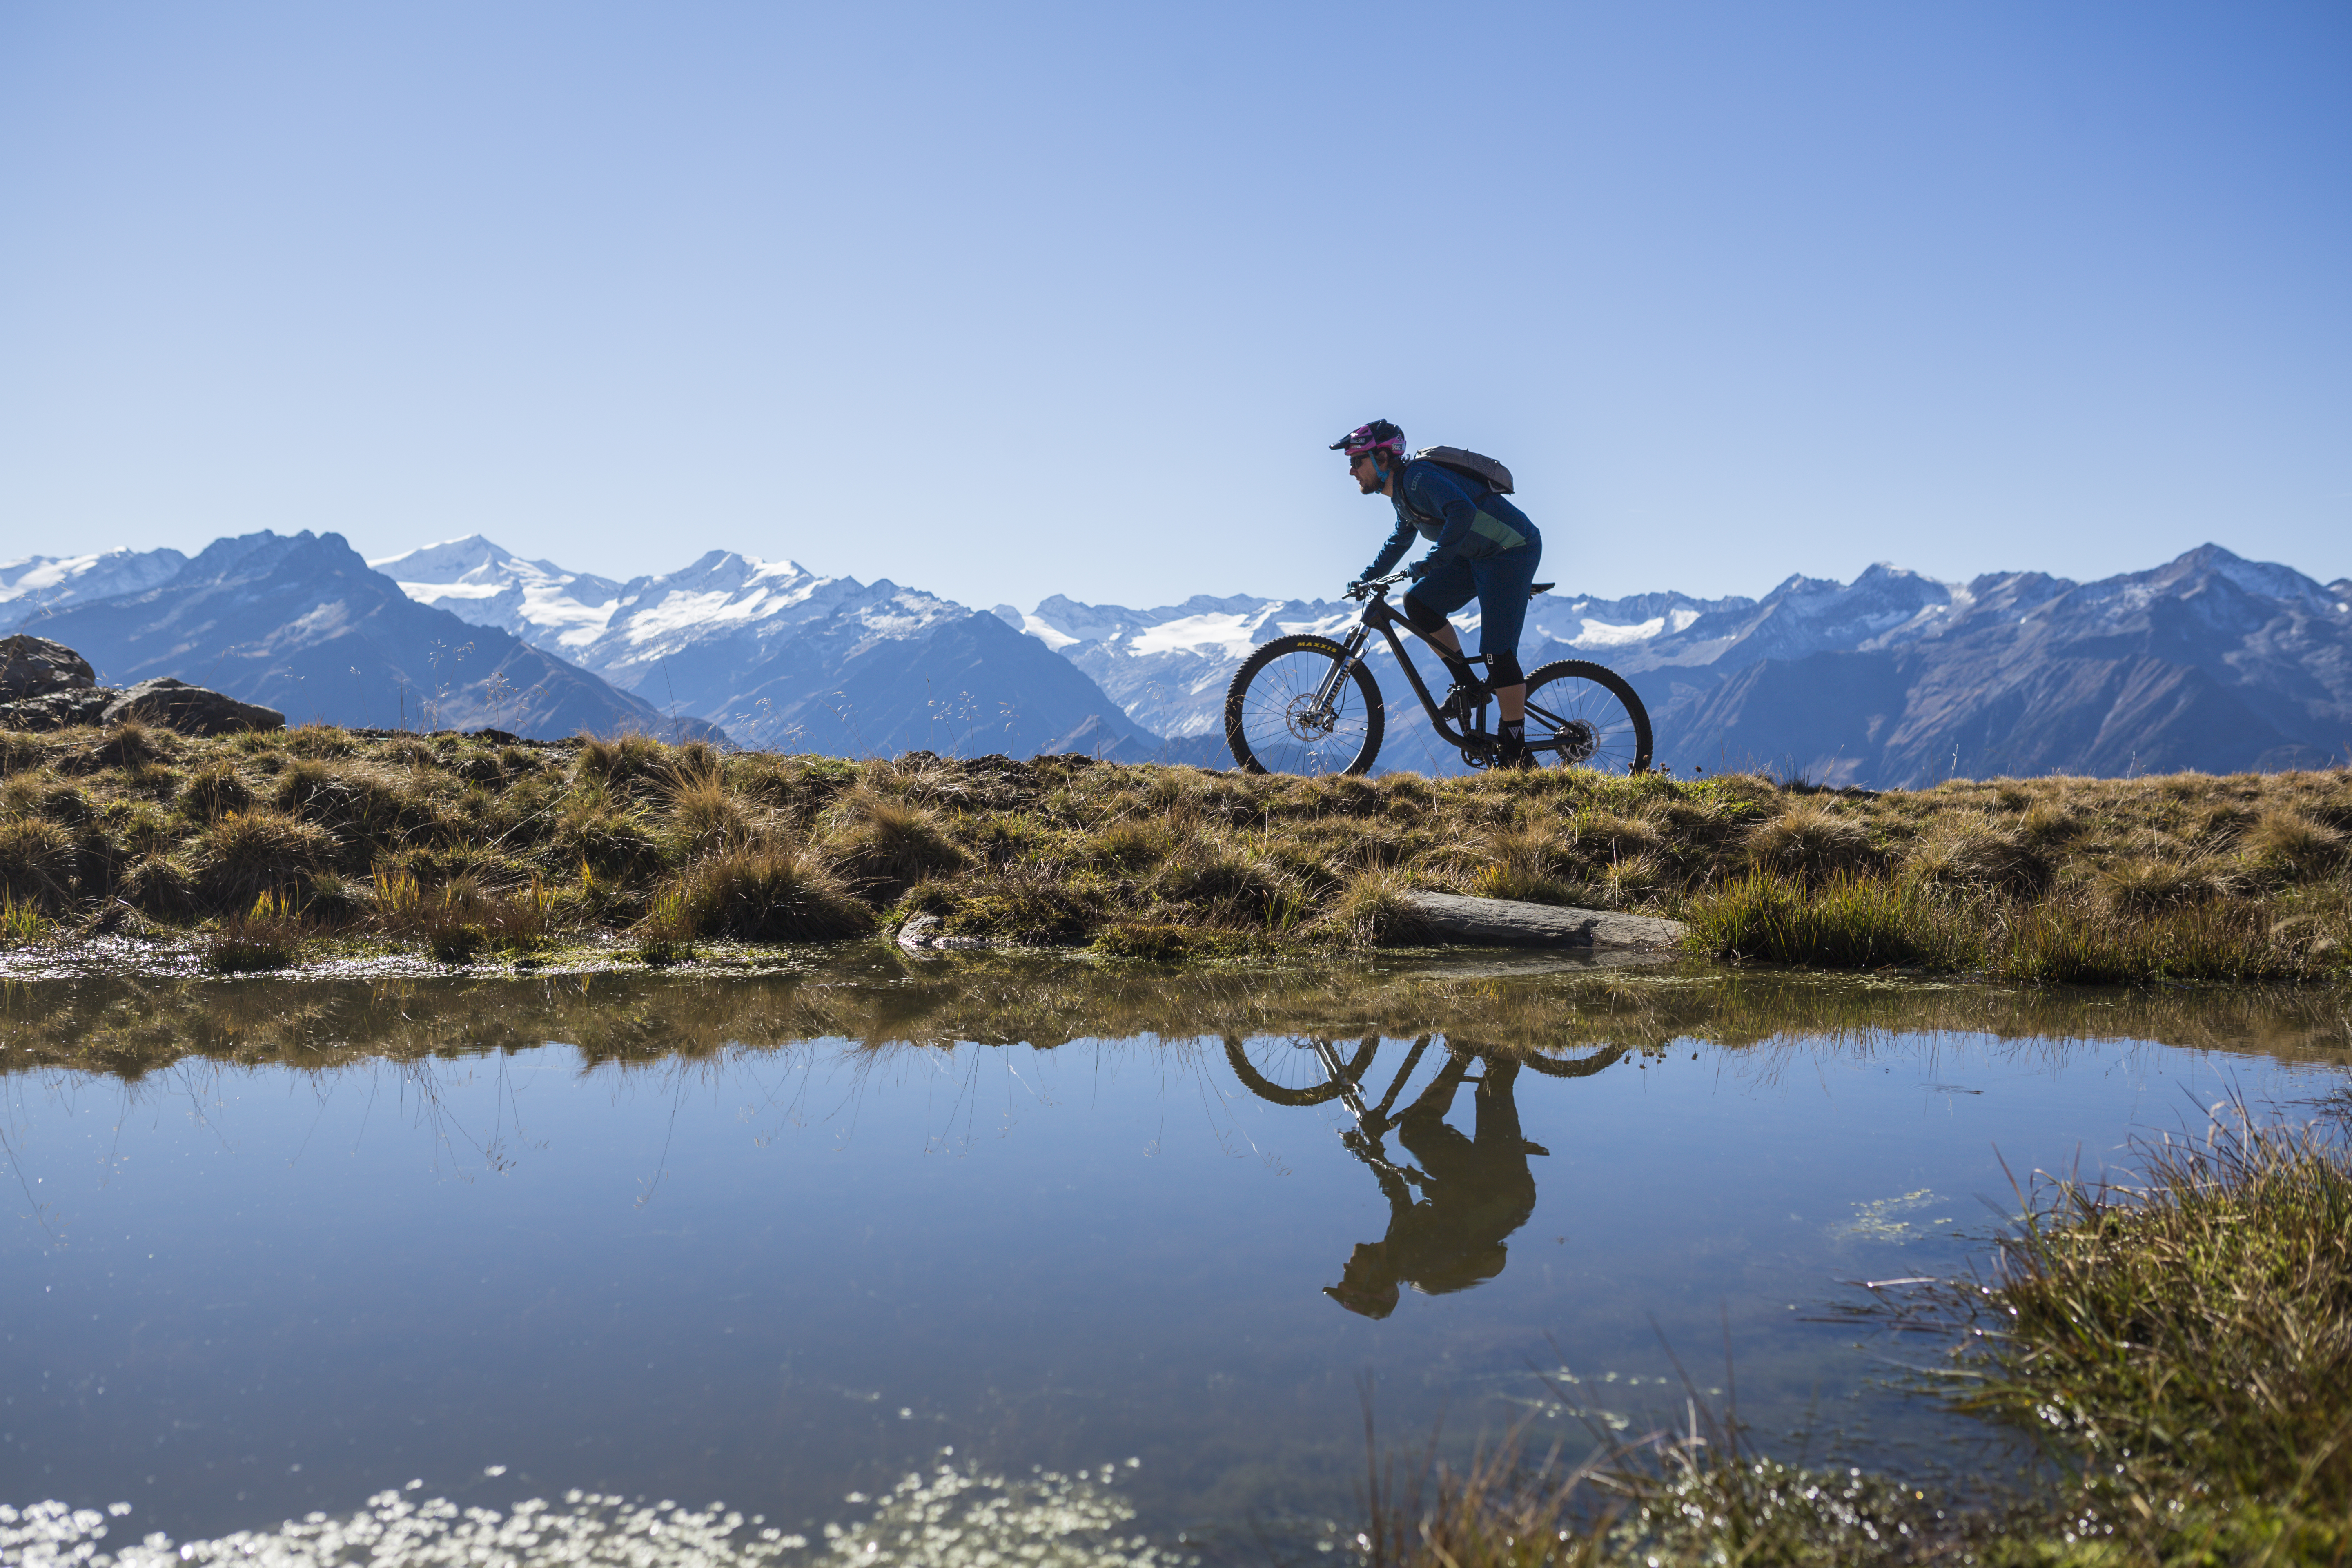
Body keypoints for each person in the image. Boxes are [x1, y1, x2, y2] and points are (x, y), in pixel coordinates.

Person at [1332, 420, 1545, 767]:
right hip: (1474, 555)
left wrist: (1434, 560)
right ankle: (1469, 686)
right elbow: (1400, 540)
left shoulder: (1419, 479)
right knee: (1418, 603)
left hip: (1511, 550)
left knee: (1496, 652)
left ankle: (1516, 748)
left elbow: (1463, 510)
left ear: (1382, 458)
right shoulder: (1402, 494)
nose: (1352, 471)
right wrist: (1367, 578)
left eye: (1357, 461)